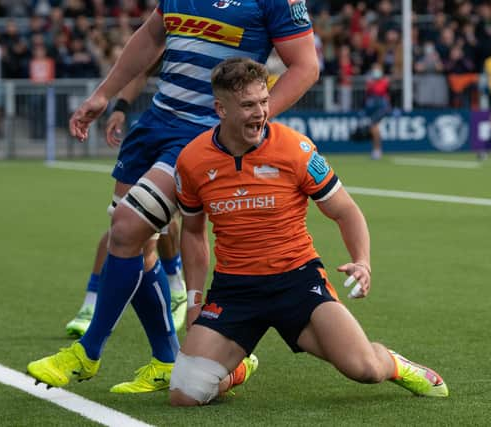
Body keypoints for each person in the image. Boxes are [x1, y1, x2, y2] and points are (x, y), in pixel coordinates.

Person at [27, 0, 319, 394]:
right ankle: (166, 359)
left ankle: (87, 352)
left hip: (198, 136)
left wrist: (251, 121)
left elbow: (305, 66)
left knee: (127, 227)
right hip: (155, 123)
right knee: (134, 242)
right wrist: (105, 94)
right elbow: (151, 36)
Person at [169, 57, 448, 406]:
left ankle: (395, 364)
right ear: (220, 109)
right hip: (235, 289)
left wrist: (362, 261)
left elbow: (346, 211)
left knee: (363, 369)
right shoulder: (192, 160)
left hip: (297, 282)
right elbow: (193, 234)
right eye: (248, 105)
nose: (259, 113)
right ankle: (238, 366)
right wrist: (195, 301)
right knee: (185, 394)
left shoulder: (295, 149)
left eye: (263, 102)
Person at [64, 59, 188, 339]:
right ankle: (91, 304)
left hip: (193, 133)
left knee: (164, 219)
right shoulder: (171, 21)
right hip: (155, 128)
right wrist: (120, 107)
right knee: (121, 221)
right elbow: (141, 67)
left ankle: (176, 285)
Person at [364, 63, 390, 160]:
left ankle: (377, 150)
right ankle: (376, 150)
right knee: (374, 128)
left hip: (382, 108)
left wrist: (372, 84)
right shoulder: (371, 82)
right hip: (374, 109)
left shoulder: (383, 82)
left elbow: (379, 91)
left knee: (374, 127)